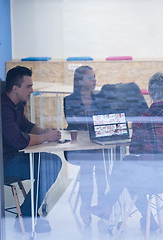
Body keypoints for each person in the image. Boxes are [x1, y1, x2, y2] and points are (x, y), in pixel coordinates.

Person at [93, 72, 163, 231]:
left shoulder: (142, 118)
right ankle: (145, 219)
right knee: (128, 171)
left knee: (126, 168)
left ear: (150, 93)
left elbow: (133, 150)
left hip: (147, 178)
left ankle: (126, 211)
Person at [1, 66, 62, 232]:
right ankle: (26, 218)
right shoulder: (3, 109)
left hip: (11, 157)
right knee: (50, 164)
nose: (32, 90)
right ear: (16, 88)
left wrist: (45, 132)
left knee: (53, 162)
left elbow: (25, 125)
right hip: (1, 164)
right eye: (29, 86)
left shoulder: (15, 104)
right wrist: (46, 138)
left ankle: (27, 214)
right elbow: (19, 141)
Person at [63, 66, 107, 225]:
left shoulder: (100, 98)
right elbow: (75, 123)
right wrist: (93, 123)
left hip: (98, 144)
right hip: (79, 146)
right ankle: (86, 206)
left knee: (103, 167)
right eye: (90, 78)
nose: (94, 80)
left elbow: (102, 122)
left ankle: (102, 205)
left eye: (94, 77)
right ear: (80, 81)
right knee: (89, 167)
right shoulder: (69, 100)